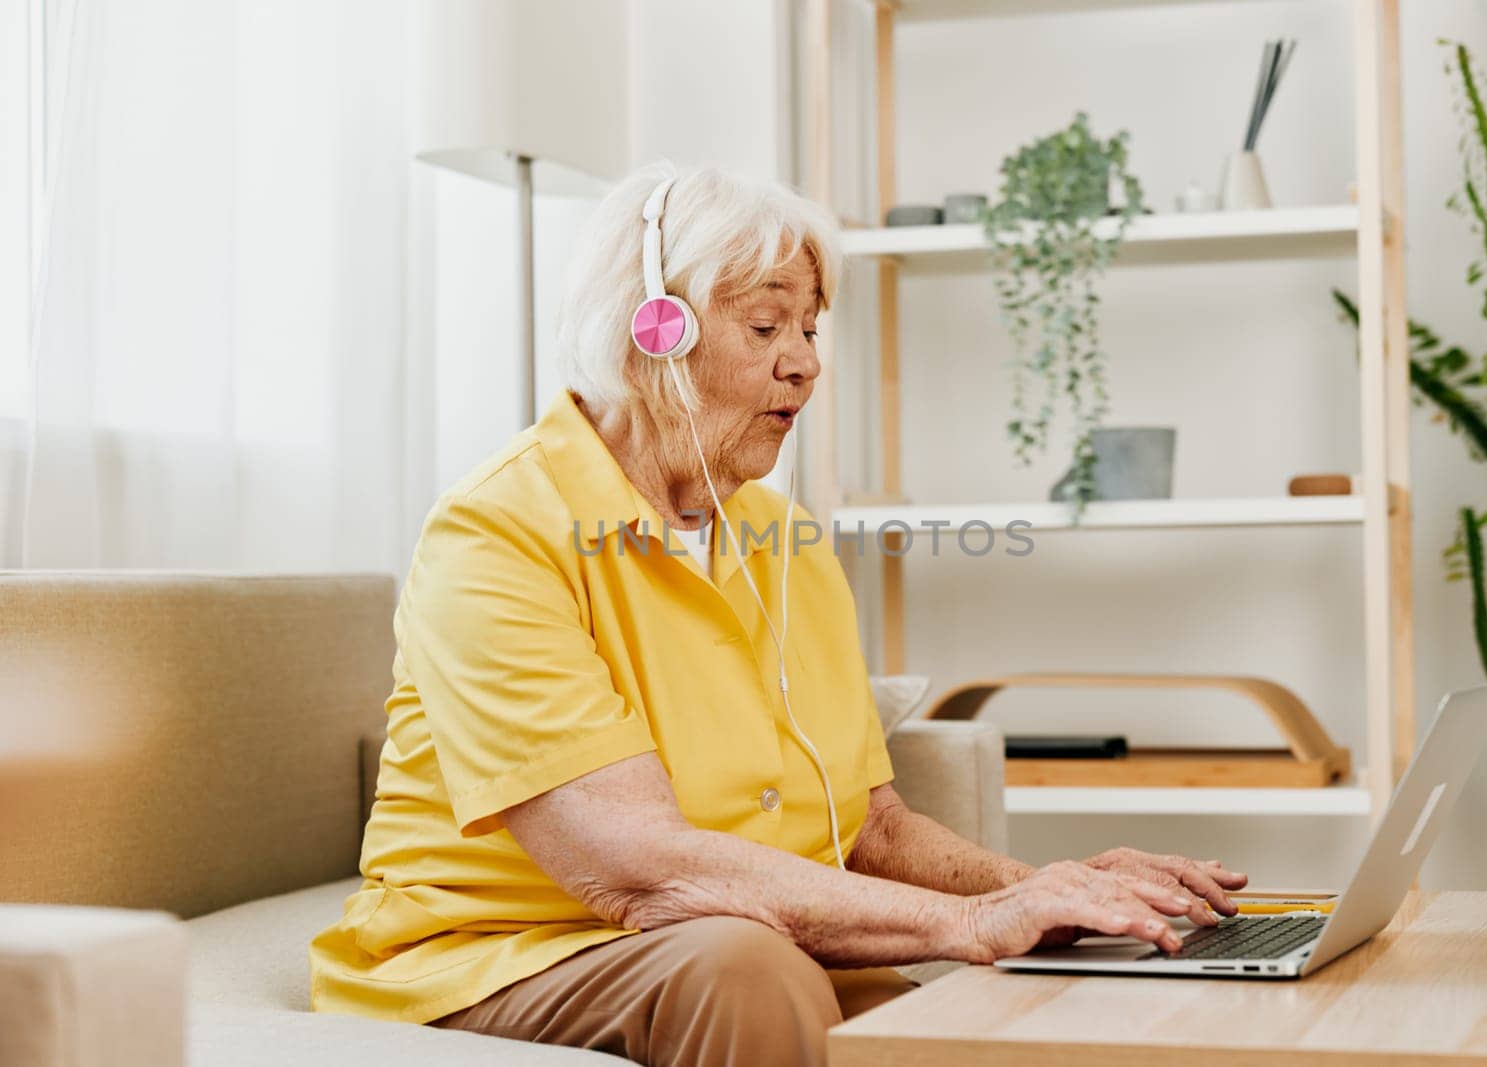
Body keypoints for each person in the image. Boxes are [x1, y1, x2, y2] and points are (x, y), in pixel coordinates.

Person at [309, 163, 1248, 1066]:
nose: (803, 365)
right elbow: (631, 863)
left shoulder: (779, 539)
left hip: (748, 932)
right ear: (655, 331)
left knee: (962, 1025)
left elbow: (870, 827)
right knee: (750, 971)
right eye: (765, 327)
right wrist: (964, 923)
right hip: (509, 947)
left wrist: (1048, 888)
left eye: (810, 329)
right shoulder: (497, 531)